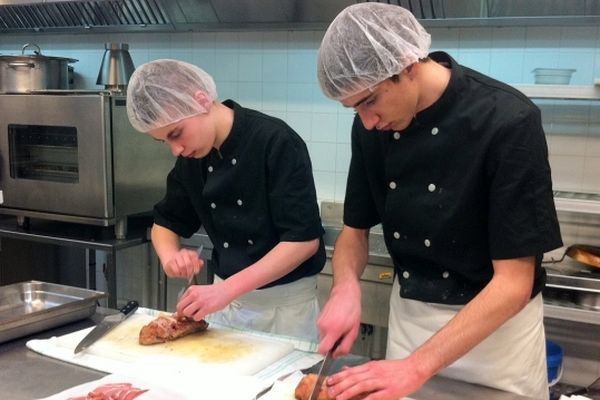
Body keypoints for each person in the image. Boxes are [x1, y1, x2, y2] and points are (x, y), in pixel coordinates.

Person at [315, 3, 562, 400]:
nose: (366, 121)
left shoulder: (508, 120)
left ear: (408, 64)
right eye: (353, 108)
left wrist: (417, 366)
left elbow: (514, 284)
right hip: (410, 330)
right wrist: (346, 287)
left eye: (369, 101)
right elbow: (354, 232)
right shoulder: (371, 130)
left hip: (496, 345)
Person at [126, 59, 326, 341]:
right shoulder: (193, 158)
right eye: (164, 142)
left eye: (176, 134)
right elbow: (165, 223)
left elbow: (303, 242)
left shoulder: (275, 141)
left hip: (284, 312)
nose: (176, 150)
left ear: (202, 100)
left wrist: (227, 289)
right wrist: (170, 256)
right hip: (223, 306)